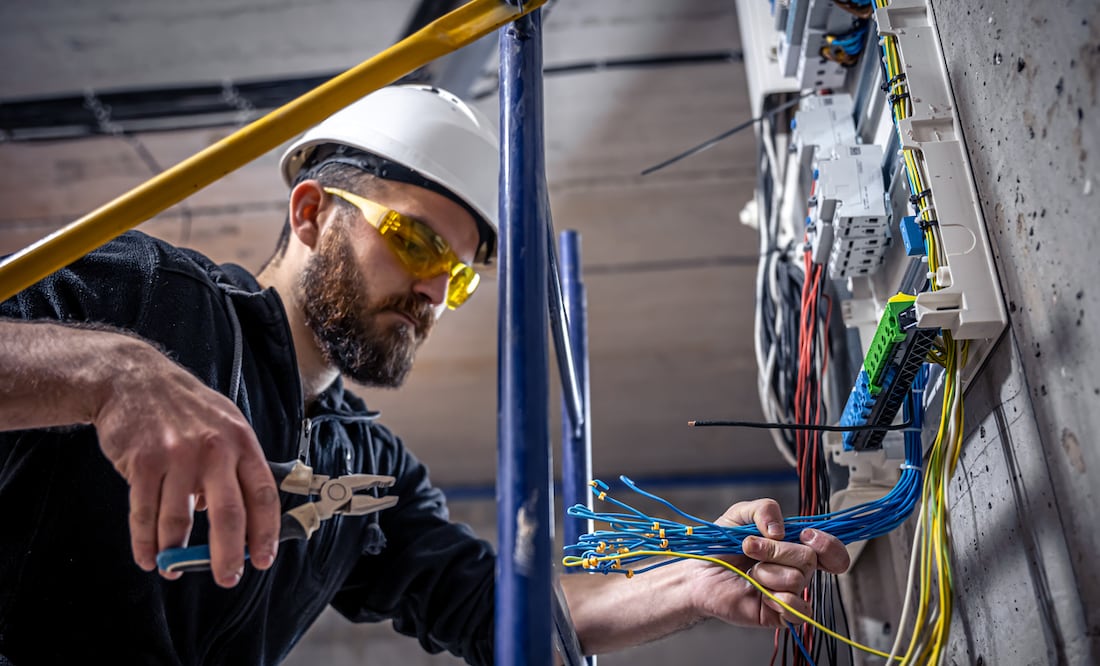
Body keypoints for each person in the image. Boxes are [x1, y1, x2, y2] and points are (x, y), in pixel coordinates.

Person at [0, 84, 848, 664]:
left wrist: (690, 581)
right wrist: (109, 371)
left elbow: (499, 614)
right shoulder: (151, 299)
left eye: (463, 275)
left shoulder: (370, 473)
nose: (437, 293)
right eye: (416, 243)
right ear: (310, 214)